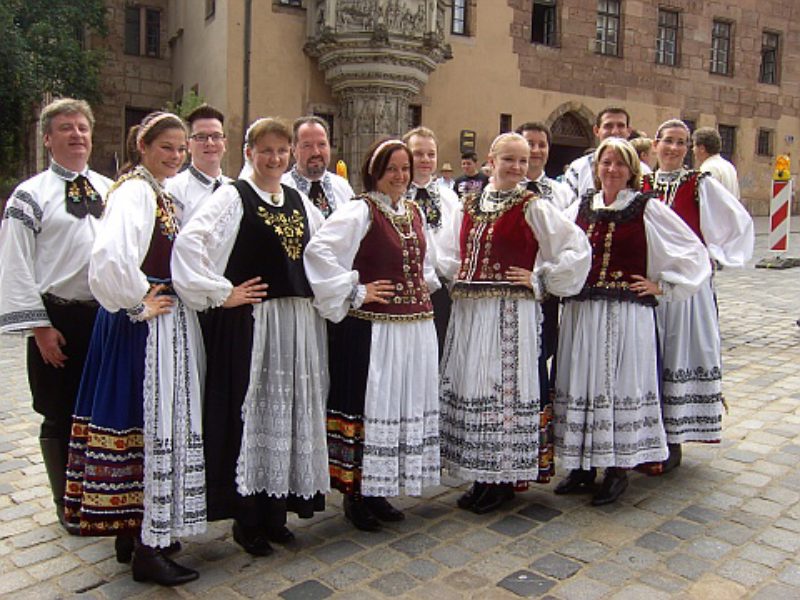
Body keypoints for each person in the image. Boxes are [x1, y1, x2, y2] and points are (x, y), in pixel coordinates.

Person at [172, 118, 329, 556]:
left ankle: (275, 514)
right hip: (255, 324)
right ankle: (247, 520)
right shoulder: (232, 196)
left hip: (295, 324)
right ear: (249, 153)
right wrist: (222, 292)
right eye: (267, 150)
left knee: (288, 414)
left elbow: (323, 251)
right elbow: (191, 243)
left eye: (283, 150)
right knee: (253, 418)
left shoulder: (299, 199)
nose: (275, 158)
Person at [64, 112, 206, 586]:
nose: (176, 155)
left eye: (181, 148)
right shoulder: (136, 191)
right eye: (166, 146)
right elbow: (108, 257)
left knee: (137, 423)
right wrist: (137, 301)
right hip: (143, 326)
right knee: (149, 421)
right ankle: (148, 548)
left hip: (149, 320)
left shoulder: (155, 191)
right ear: (142, 146)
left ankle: (134, 531)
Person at [439, 133, 591, 514]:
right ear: (491, 160)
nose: (518, 168)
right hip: (472, 312)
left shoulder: (533, 206)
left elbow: (575, 247)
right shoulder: (468, 203)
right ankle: (480, 474)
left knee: (503, 390)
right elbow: (444, 251)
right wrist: (459, 274)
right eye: (510, 159)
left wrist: (540, 278)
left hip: (510, 311)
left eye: (523, 162)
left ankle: (503, 479)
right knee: (475, 386)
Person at [554, 137, 710, 506]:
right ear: (597, 168)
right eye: (606, 162)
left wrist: (662, 286)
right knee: (583, 382)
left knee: (616, 384)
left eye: (620, 164)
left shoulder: (646, 208)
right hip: (582, 312)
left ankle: (617, 470)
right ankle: (581, 468)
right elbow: (553, 245)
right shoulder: (580, 206)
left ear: (631, 171)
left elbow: (692, 250)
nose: (611, 170)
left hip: (626, 314)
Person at [304, 139, 441, 532]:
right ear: (375, 173)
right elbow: (320, 253)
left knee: (396, 406)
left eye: (405, 168)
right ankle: (357, 494)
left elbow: (426, 268)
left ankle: (380, 488)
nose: (399, 176)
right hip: (374, 330)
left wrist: (422, 289)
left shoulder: (413, 211)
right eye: (391, 169)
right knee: (372, 405)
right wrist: (357, 290)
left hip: (413, 328)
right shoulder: (359, 211)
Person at [0, 98, 112, 535]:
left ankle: (100, 495)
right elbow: (15, 265)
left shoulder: (110, 189)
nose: (76, 135)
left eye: (82, 127)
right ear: (48, 138)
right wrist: (40, 328)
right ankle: (67, 504)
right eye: (66, 128)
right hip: (58, 321)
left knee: (100, 410)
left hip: (104, 318)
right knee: (59, 411)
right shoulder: (29, 195)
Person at [642, 119, 753, 472]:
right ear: (655, 144)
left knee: (678, 354)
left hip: (687, 290)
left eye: (680, 142)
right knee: (648, 358)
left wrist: (710, 256)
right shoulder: (641, 182)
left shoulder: (698, 184)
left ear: (689, 148)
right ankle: (647, 434)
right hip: (648, 283)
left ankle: (672, 440)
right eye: (667, 141)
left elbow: (736, 222)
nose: (673, 148)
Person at [402, 126, 461, 357]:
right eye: (418, 153)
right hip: (407, 287)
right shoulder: (397, 195)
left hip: (442, 288)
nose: (425, 159)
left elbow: (457, 240)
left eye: (431, 154)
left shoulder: (449, 197)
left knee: (439, 348)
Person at [165, 104, 231, 225]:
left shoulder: (234, 189)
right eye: (201, 137)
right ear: (188, 145)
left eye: (216, 136)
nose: (210, 143)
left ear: (224, 143)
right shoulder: (174, 190)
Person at [281, 116, 354, 218]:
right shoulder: (281, 189)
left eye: (322, 144)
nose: (316, 152)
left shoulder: (342, 187)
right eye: (307, 145)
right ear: (293, 150)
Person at [564, 107, 632, 198]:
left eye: (620, 126)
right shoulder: (577, 169)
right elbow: (567, 204)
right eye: (608, 126)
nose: (615, 131)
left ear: (628, 131)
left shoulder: (643, 171)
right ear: (596, 130)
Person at [692, 127, 741, 198]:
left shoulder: (708, 168)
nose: (692, 150)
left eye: (694, 146)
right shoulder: (729, 166)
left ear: (702, 148)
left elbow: (706, 199)